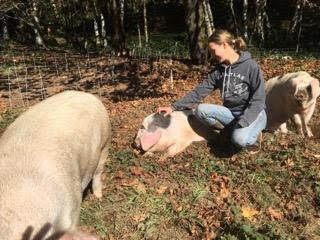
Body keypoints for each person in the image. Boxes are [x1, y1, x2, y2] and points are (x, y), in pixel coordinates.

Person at [157, 29, 267, 151]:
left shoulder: (250, 66)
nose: (212, 55)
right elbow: (199, 92)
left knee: (238, 140)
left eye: (213, 51)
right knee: (201, 110)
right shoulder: (219, 71)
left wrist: (243, 122)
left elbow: (259, 99)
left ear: (224, 45)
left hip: (253, 114)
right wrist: (173, 107)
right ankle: (234, 130)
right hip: (231, 114)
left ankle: (252, 137)